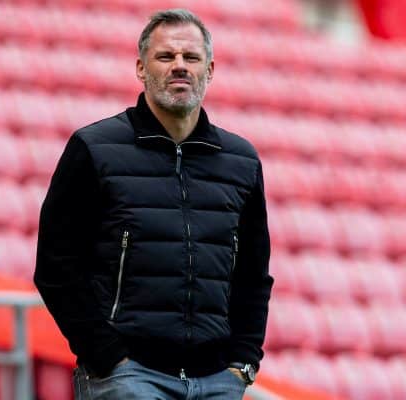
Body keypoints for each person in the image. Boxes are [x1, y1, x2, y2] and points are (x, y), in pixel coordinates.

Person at [34, 8, 273, 400]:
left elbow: (253, 274)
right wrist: (108, 357)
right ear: (141, 69)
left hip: (218, 381)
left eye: (191, 58)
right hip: (128, 377)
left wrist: (242, 363)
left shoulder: (241, 161)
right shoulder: (94, 149)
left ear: (209, 70)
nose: (180, 66)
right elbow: (56, 268)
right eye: (166, 57)